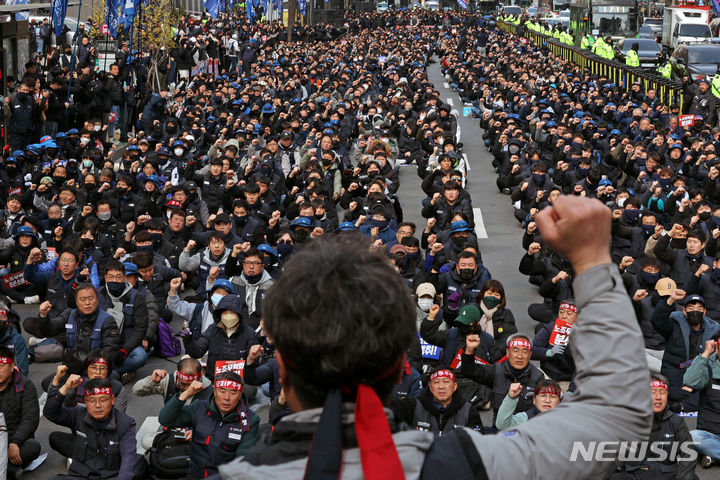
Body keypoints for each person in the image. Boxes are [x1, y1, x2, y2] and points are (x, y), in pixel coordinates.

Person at [217, 196, 652, 479]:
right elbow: (616, 416)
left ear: (283, 368)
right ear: (396, 368)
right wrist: (594, 259)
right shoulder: (461, 464)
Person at [158, 371, 259, 478]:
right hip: (193, 473)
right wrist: (186, 393)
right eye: (222, 391)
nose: (226, 397)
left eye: (233, 392)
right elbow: (165, 419)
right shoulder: (200, 407)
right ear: (214, 391)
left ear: (240, 395)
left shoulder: (250, 421)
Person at [44, 375, 143, 480]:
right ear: (86, 402)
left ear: (112, 400)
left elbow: (128, 460)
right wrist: (66, 388)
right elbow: (50, 413)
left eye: (103, 399)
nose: (97, 405)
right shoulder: (78, 414)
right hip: (79, 475)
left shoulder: (126, 423)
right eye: (92, 400)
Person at [610, 374, 697, 479]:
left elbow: (689, 453)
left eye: (662, 392)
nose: (658, 397)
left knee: (691, 477)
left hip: (666, 476)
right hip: (634, 475)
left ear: (667, 395)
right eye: (653, 392)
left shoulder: (676, 421)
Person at [651, 291, 720, 406]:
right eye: (691, 308)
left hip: (699, 379)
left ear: (704, 312)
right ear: (684, 310)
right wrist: (671, 299)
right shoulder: (673, 324)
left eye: (699, 308)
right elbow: (657, 320)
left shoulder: (713, 330)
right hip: (673, 379)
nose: (695, 311)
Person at [391, 367, 483, 436]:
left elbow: (477, 444)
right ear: (430, 387)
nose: (441, 386)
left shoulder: (468, 411)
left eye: (446, 382)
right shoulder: (413, 406)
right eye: (436, 382)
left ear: (454, 387)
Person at [0, 346, 40, 479]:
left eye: (1, 366)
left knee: (33, 447)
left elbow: (30, 419)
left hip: (16, 440)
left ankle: (7, 467)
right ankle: (10, 470)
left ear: (12, 367)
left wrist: (14, 442)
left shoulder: (25, 385)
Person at [683, 336, 720, 468]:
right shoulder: (707, 366)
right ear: (716, 346)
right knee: (693, 437)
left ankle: (713, 456)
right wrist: (705, 354)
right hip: (710, 434)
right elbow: (689, 382)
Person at [495, 378, 562, 430]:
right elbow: (502, 425)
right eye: (542, 396)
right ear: (534, 400)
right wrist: (511, 398)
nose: (547, 400)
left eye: (553, 397)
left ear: (559, 402)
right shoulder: (525, 418)